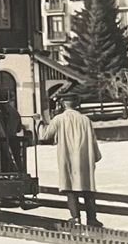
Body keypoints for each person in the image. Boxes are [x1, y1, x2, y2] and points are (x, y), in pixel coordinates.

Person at [38, 93, 104, 227]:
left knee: (70, 188)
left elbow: (45, 136)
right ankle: (92, 219)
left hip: (67, 158)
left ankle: (75, 217)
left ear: (63, 104)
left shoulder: (59, 119)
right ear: (76, 104)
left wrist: (39, 122)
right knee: (87, 188)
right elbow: (93, 140)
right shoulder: (85, 119)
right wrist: (96, 156)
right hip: (84, 159)